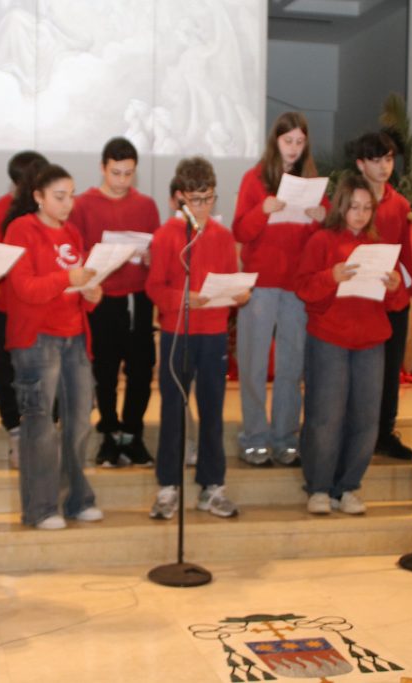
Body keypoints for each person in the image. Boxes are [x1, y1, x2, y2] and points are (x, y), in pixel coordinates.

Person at [3, 163, 105, 530]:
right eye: (59, 197)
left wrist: (91, 292)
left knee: (79, 421)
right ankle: (41, 507)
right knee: (40, 425)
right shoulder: (21, 230)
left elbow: (79, 292)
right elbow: (24, 288)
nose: (68, 204)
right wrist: (67, 278)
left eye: (72, 195)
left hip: (74, 336)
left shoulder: (73, 232)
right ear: (38, 197)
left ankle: (77, 498)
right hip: (37, 339)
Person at [146, 156, 249, 520]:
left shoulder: (223, 236)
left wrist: (240, 294)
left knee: (212, 411)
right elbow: (154, 287)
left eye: (208, 199)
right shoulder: (166, 236)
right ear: (178, 199)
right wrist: (181, 300)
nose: (202, 207)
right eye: (195, 199)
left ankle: (212, 485)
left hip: (214, 334)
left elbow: (231, 280)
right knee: (173, 410)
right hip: (178, 332)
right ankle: (168, 487)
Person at [296, 174, 404, 515]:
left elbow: (397, 304)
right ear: (341, 206)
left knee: (366, 417)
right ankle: (319, 486)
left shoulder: (380, 248)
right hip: (329, 337)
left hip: (371, 340)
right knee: (326, 415)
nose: (360, 214)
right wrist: (332, 276)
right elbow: (305, 291)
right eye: (354, 206)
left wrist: (395, 285)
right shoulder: (322, 241)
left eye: (367, 207)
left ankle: (349, 486)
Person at [232, 111, 327, 468]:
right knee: (254, 364)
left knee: (291, 367)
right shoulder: (254, 179)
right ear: (276, 141)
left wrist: (321, 218)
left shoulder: (312, 181)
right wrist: (263, 210)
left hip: (296, 287)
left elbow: (325, 238)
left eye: (300, 142)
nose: (293, 148)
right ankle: (255, 437)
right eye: (288, 141)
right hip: (260, 285)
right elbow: (240, 231)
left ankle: (285, 437)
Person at [69, 137, 162, 468]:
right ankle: (108, 432)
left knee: (139, 369)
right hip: (102, 296)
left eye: (128, 173)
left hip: (138, 296)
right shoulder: (83, 205)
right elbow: (73, 250)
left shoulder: (146, 205)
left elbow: (158, 250)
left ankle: (132, 434)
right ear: (102, 168)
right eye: (116, 173)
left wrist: (151, 255)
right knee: (104, 370)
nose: (122, 180)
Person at [347, 131, 412, 461]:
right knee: (357, 370)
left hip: (392, 299)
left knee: (391, 371)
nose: (384, 166)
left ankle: (385, 434)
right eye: (376, 160)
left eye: (389, 159)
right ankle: (354, 431)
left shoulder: (401, 204)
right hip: (359, 299)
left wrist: (405, 286)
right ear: (361, 164)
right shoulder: (349, 201)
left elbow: (408, 255)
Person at [0, 150, 48, 469]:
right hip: (4, 308)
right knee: (6, 370)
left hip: (40, 307)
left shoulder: (47, 213)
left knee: (43, 370)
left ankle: (43, 429)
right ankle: (16, 432)